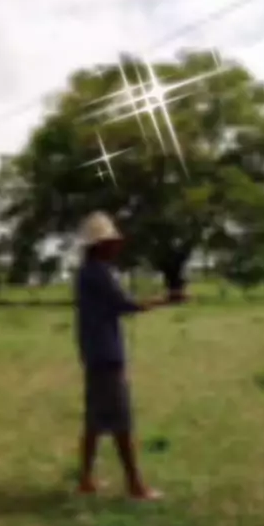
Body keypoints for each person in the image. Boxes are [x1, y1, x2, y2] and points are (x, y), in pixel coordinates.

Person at [74, 211, 181, 500]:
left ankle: (86, 480)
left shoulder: (87, 272)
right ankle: (136, 486)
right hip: (107, 356)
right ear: (99, 245)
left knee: (95, 420)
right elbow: (126, 305)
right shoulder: (99, 273)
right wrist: (166, 300)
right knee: (121, 422)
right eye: (111, 241)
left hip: (94, 354)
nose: (117, 246)